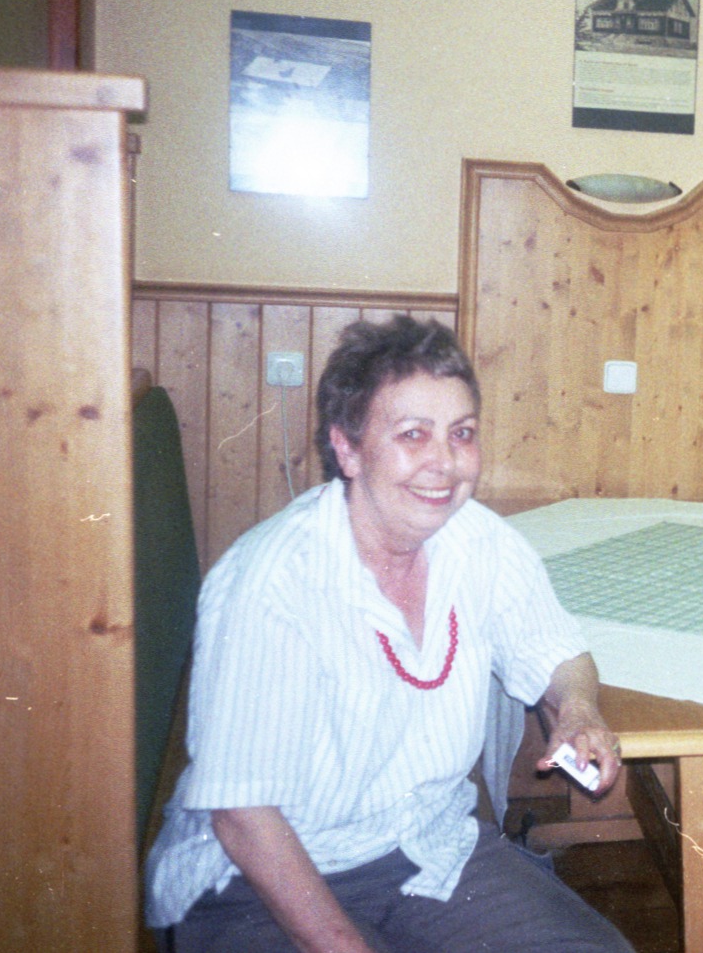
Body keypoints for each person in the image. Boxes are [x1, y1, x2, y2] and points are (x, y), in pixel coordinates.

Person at [145, 316, 632, 953]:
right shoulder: (271, 581)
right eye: (412, 434)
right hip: (257, 878)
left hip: (428, 848)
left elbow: (558, 651)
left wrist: (576, 709)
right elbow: (242, 817)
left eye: (462, 434)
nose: (444, 463)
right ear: (346, 449)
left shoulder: (480, 542)